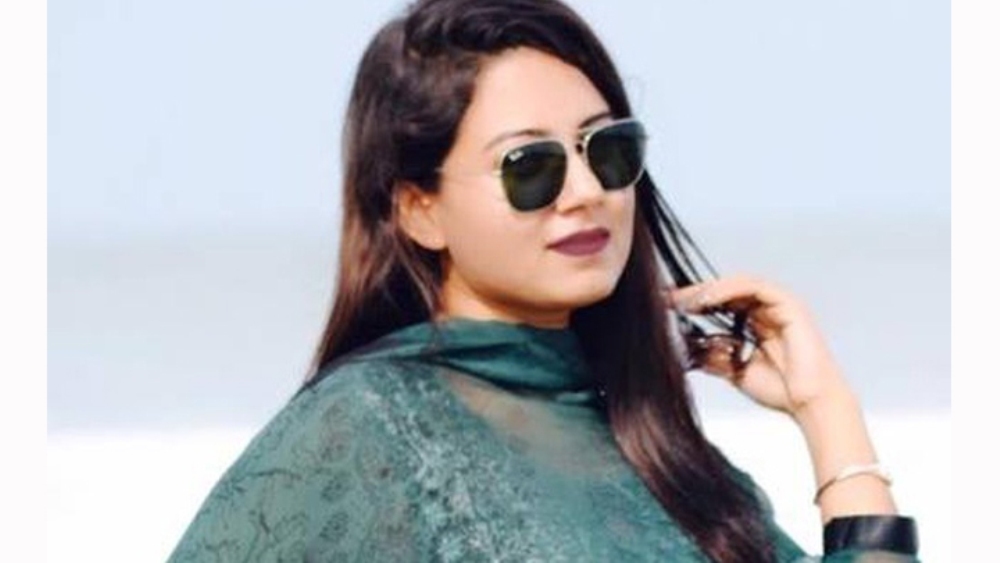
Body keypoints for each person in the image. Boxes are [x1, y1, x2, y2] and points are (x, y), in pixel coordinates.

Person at [168, 0, 919, 561]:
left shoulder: (656, 452)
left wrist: (827, 411)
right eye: (530, 166)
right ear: (420, 210)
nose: (587, 191)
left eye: (607, 151)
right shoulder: (369, 425)